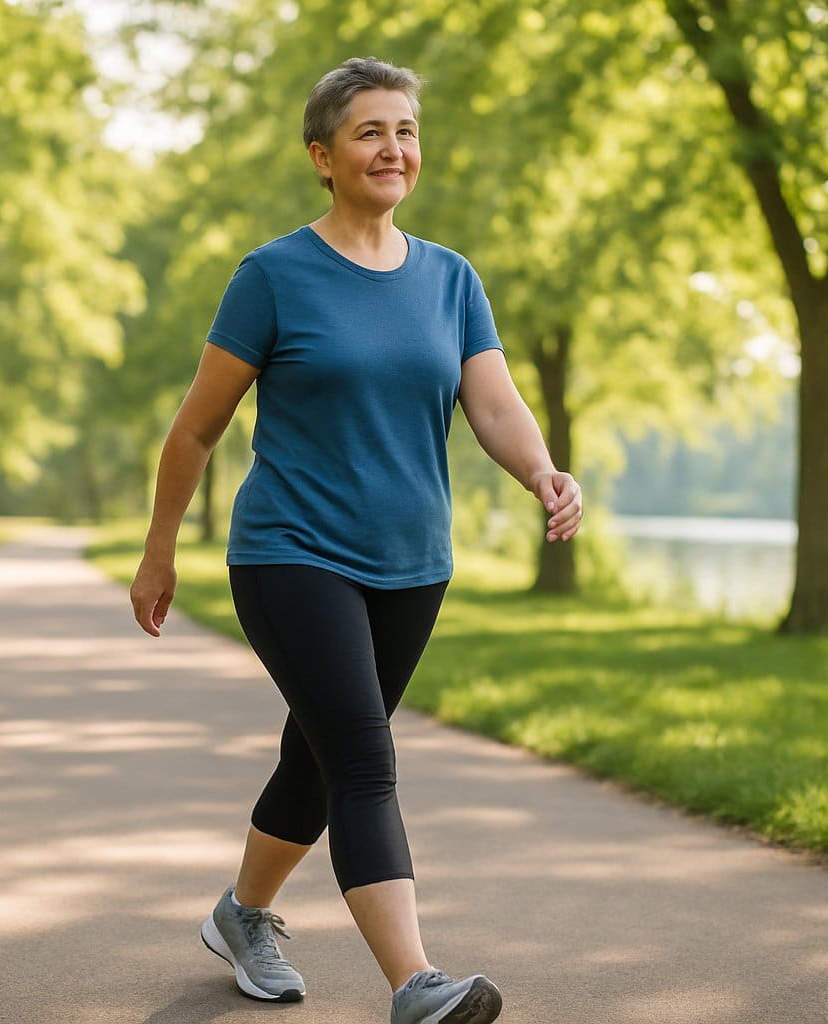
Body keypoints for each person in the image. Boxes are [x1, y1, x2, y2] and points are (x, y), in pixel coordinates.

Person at [129, 56, 582, 1024]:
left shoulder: (451, 278)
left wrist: (541, 470)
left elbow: (492, 402)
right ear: (322, 155)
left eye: (407, 130)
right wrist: (159, 548)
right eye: (371, 131)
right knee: (366, 760)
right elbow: (197, 426)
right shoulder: (274, 275)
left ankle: (242, 913)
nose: (394, 147)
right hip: (291, 551)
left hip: (413, 561)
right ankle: (416, 983)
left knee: (320, 758)